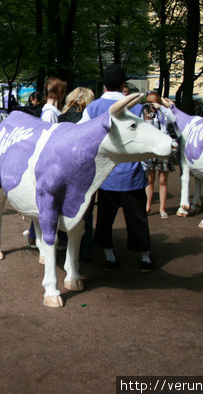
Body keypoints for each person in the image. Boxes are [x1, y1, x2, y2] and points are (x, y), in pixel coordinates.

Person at [79, 63, 155, 271]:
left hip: (105, 175)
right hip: (131, 173)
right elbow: (147, 140)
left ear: (104, 86)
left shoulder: (92, 108)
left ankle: (110, 257)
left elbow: (82, 138)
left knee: (104, 218)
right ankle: (145, 258)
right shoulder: (137, 108)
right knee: (138, 217)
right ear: (123, 85)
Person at [23, 77, 68, 249]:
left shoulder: (50, 111)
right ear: (59, 93)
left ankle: (34, 234)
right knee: (47, 203)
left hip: (50, 163)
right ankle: (35, 235)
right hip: (50, 164)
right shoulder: (50, 113)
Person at [58, 85, 96, 261]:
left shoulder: (61, 118)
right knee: (85, 211)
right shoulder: (91, 120)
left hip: (64, 169)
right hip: (86, 170)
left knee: (63, 206)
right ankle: (85, 250)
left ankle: (64, 241)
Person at [141, 92, 177, 219]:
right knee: (149, 179)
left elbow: (173, 120)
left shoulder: (164, 113)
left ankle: (162, 209)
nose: (151, 105)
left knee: (163, 180)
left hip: (164, 149)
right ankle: (147, 207)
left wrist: (161, 108)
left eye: (153, 102)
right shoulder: (145, 113)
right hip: (151, 149)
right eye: (148, 102)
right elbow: (147, 131)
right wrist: (149, 119)